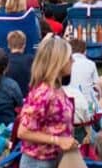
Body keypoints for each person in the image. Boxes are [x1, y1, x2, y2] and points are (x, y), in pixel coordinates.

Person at [15, 36, 79, 168]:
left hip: (53, 158)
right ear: (58, 61)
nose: (73, 61)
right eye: (69, 58)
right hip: (39, 161)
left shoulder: (56, 88)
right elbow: (23, 132)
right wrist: (58, 140)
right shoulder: (44, 93)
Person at [6, 30, 34, 95]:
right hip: (27, 97)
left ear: (8, 45)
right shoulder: (31, 59)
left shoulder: (4, 60)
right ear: (24, 45)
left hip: (9, 97)